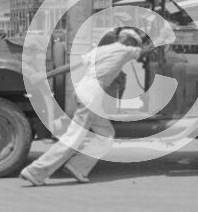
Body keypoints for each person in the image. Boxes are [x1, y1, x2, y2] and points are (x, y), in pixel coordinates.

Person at [20, 29, 145, 186]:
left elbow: (73, 66)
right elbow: (144, 51)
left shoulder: (101, 50)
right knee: (73, 138)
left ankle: (78, 167)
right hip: (92, 96)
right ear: (128, 40)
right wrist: (160, 38)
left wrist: (46, 75)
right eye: (134, 43)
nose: (134, 46)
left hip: (84, 91)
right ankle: (35, 171)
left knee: (106, 135)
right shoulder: (125, 50)